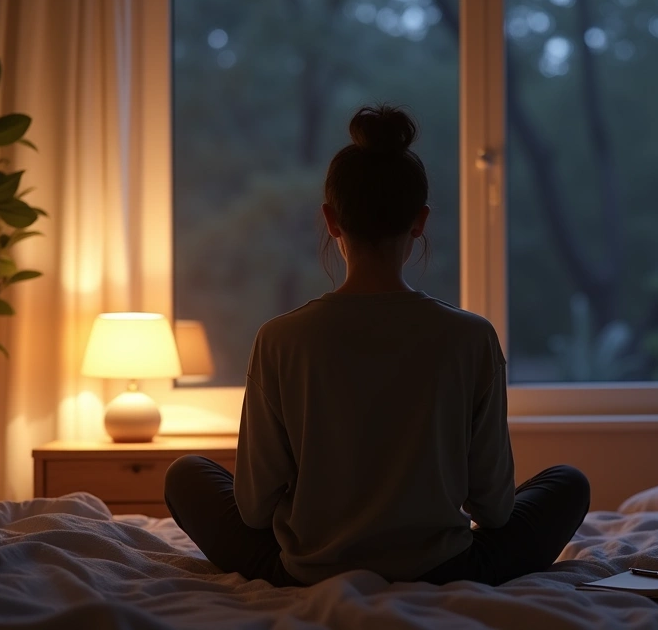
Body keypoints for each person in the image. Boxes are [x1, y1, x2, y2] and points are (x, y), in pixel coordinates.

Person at [164, 105, 590, 588]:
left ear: (330, 219)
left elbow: (254, 510)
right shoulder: (471, 337)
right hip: (445, 571)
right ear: (420, 221)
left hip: (306, 571)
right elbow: (494, 510)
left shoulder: (280, 339)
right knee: (567, 485)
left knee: (186, 476)